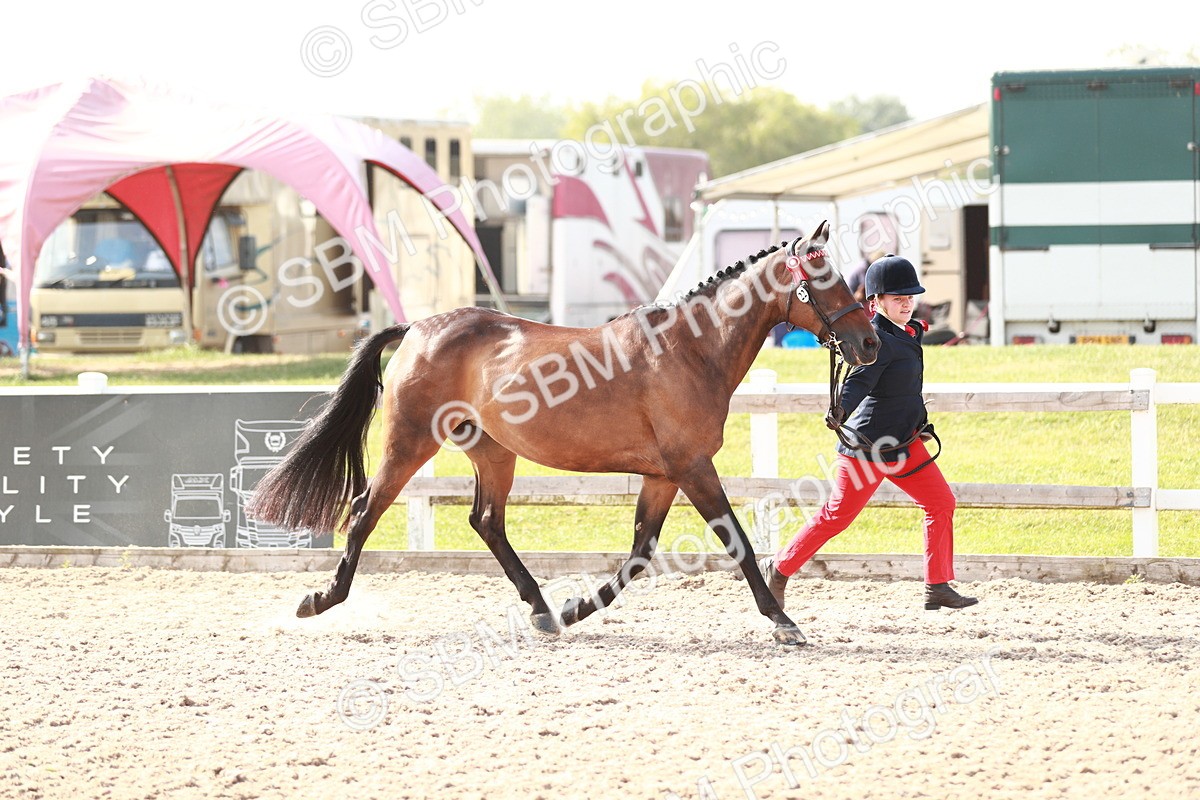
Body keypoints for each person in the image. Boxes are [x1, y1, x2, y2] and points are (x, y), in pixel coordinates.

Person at [760, 254, 978, 612]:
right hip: (868, 449)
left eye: (910, 297)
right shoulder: (874, 340)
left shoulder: (910, 331)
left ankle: (937, 585)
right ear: (876, 302)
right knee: (836, 517)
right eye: (898, 298)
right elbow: (858, 381)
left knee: (940, 502)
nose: (907, 303)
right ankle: (779, 568)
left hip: (906, 443)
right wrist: (840, 408)